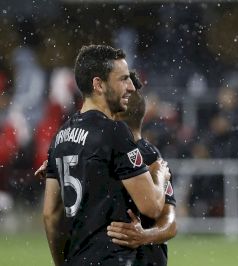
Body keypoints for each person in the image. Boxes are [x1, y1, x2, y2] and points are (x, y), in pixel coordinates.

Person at [42, 45, 168, 266]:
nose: (130, 87)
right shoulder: (114, 132)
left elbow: (51, 215)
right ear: (98, 84)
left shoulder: (60, 137)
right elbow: (152, 206)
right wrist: (160, 176)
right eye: (122, 79)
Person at [107, 71, 177, 266]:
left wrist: (144, 236)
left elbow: (170, 224)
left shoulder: (147, 157)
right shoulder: (154, 157)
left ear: (115, 113)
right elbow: (170, 223)